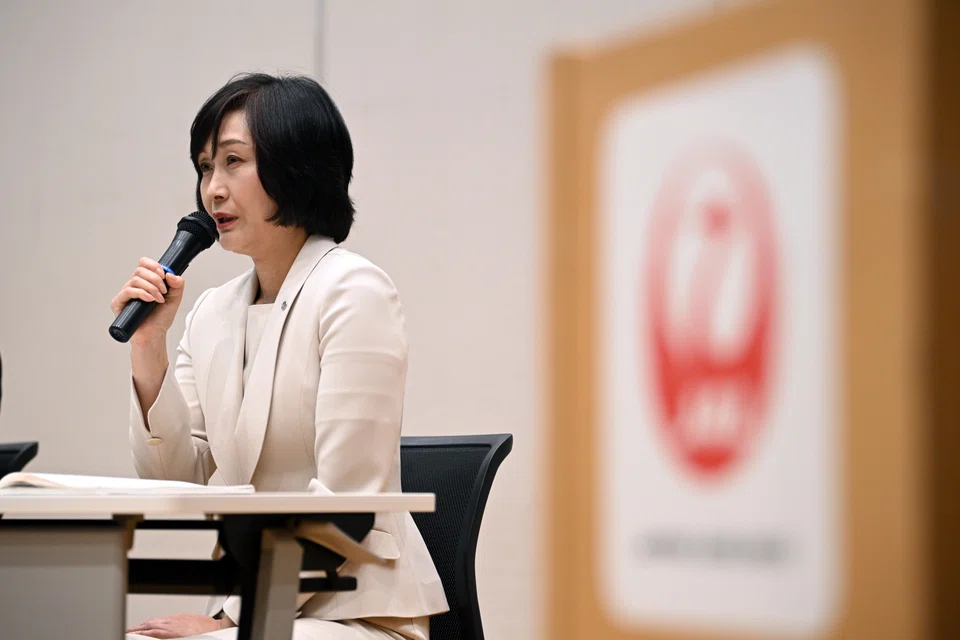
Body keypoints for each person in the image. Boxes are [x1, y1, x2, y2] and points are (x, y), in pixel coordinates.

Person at [112, 72, 448, 640]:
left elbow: (346, 502)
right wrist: (149, 349)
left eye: (233, 162)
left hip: (356, 609)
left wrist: (224, 620)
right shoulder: (213, 312)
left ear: (296, 167)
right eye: (204, 167)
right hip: (254, 608)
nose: (212, 189)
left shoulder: (353, 291)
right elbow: (179, 477)